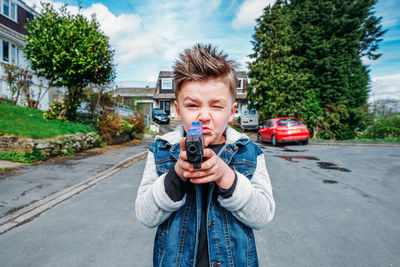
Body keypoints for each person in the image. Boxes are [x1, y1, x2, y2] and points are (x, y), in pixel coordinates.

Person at [135, 43, 275, 267]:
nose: (203, 116)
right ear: (178, 110)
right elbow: (145, 215)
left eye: (217, 106)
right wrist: (176, 175)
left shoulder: (249, 151)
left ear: (231, 112)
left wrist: (226, 176)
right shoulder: (161, 150)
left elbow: (263, 215)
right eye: (192, 105)